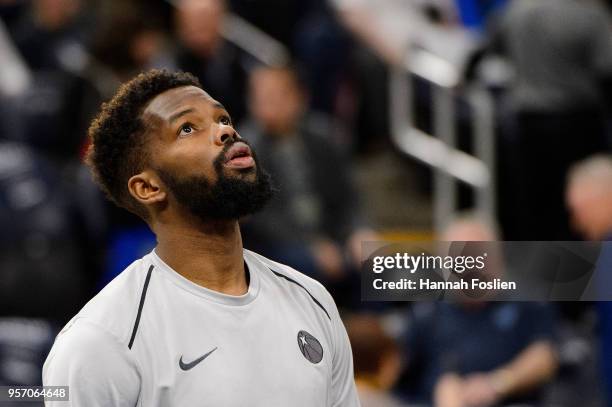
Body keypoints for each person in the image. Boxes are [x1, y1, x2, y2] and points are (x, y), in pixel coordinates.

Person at [42, 69, 360, 406]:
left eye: (222, 118)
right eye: (188, 128)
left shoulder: (312, 300)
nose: (225, 131)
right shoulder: (102, 341)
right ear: (148, 187)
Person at [398, 216, 558, 406]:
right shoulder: (427, 312)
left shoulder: (524, 301)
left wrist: (496, 383)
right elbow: (396, 372)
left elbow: (545, 357)